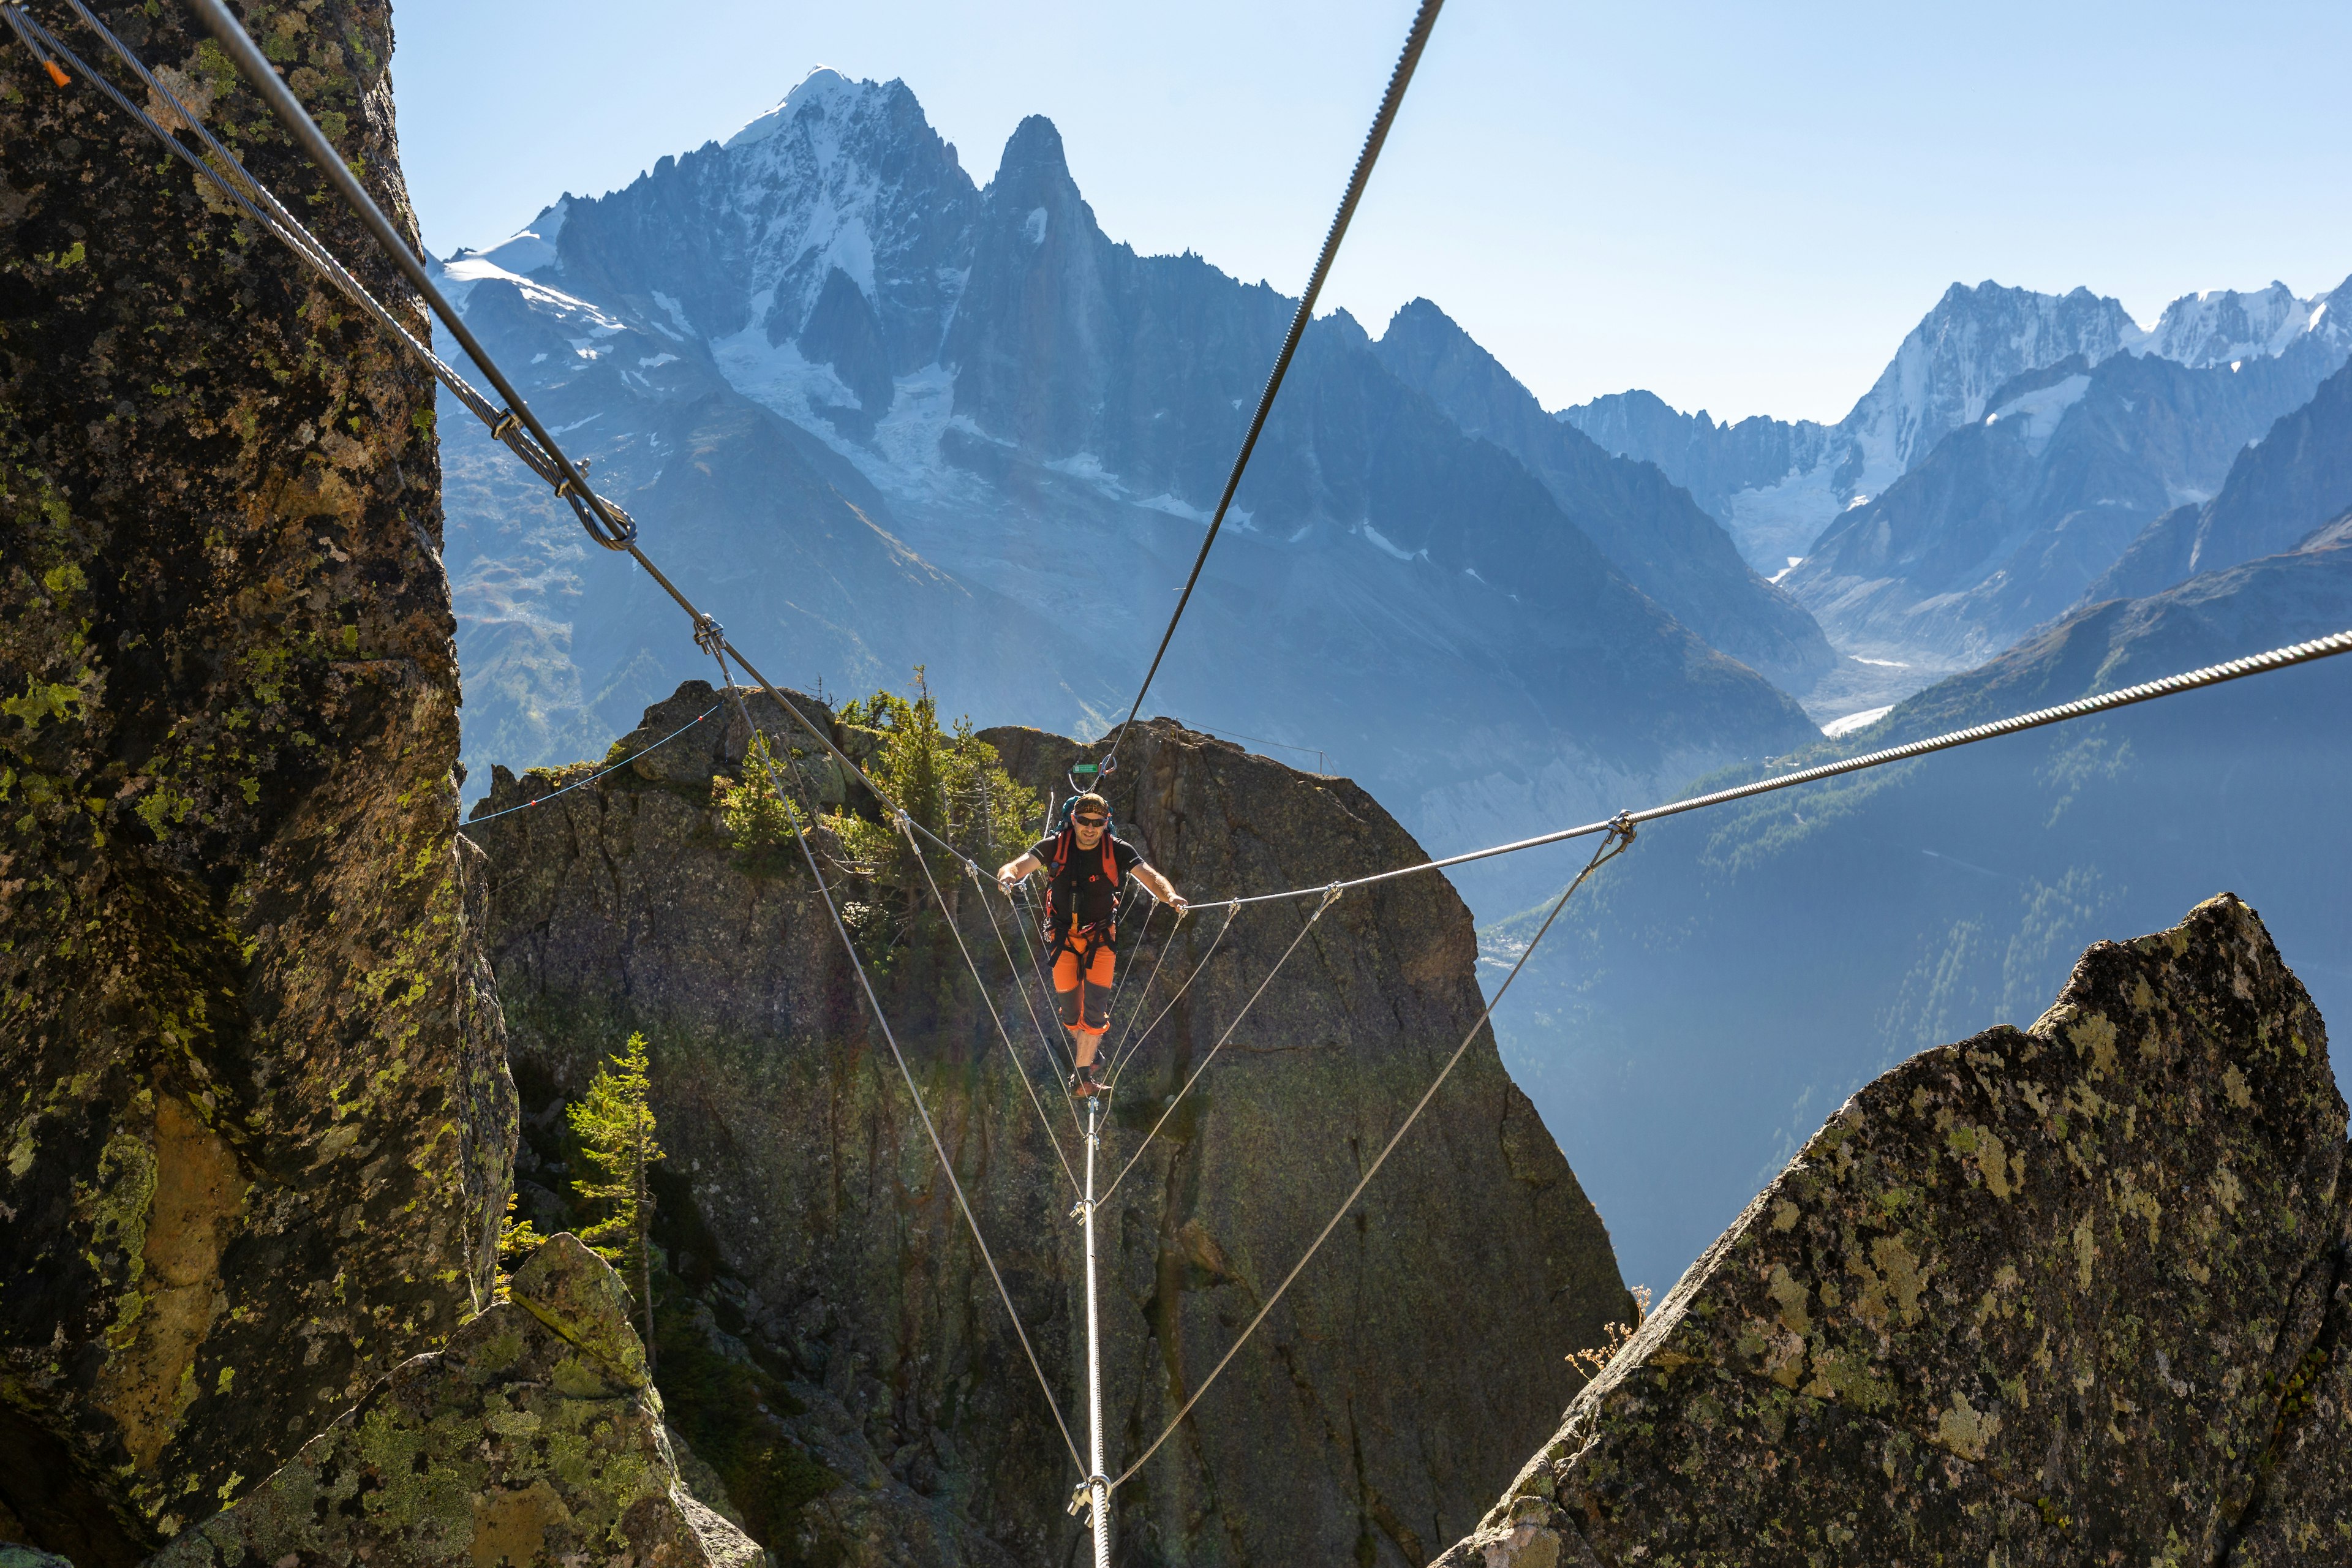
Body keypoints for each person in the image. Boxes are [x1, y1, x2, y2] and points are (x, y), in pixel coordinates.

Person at [996, 792, 1185, 1098]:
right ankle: (1089, 1051)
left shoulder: (1118, 850)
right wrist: (1007, 878)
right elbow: (1016, 866)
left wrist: (1171, 897)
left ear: (1106, 824)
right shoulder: (1055, 845)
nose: (1090, 828)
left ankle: (1081, 1079)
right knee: (1072, 1015)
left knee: (1094, 1012)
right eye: (1084, 821)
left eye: (1098, 823)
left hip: (1100, 939)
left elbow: (1151, 878)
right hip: (1063, 939)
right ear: (1074, 820)